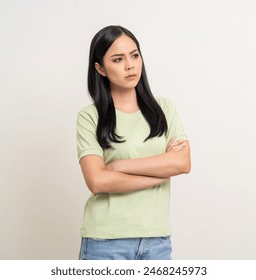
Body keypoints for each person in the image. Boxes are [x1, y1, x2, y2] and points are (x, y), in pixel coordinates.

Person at [76, 25, 191, 260]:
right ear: (100, 69)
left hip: (157, 241)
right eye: (118, 59)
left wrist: (119, 166)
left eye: (135, 55)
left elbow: (182, 163)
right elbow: (97, 181)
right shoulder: (90, 116)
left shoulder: (164, 110)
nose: (130, 65)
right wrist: (160, 174)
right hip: (105, 242)